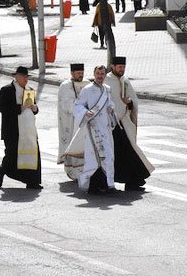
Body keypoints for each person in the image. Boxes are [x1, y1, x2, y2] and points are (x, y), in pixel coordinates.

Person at [105, 57, 154, 191]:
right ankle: (112, 181)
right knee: (116, 154)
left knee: (129, 152)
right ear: (112, 66)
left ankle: (132, 181)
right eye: (119, 67)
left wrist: (130, 102)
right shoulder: (106, 80)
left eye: (123, 67)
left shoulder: (124, 80)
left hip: (124, 123)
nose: (122, 69)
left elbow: (134, 99)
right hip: (110, 123)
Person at [67, 65, 116, 193]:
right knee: (94, 158)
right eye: (98, 74)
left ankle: (107, 184)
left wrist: (111, 108)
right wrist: (85, 112)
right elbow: (77, 105)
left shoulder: (107, 89)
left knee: (108, 156)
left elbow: (110, 103)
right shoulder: (87, 90)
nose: (100, 76)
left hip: (105, 129)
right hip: (93, 129)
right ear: (94, 74)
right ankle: (92, 186)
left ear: (105, 75)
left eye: (102, 74)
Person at [0, 66, 42, 189]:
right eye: (23, 76)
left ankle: (33, 181)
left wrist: (34, 108)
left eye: (27, 77)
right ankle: (2, 170)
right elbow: (0, 107)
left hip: (28, 130)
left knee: (32, 155)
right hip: (12, 130)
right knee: (12, 156)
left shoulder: (29, 90)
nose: (26, 79)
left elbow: (35, 109)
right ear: (16, 77)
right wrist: (19, 108)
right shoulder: (7, 90)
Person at [57, 64, 90, 181]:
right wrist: (79, 106)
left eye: (82, 72)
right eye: (78, 73)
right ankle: (73, 172)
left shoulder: (87, 84)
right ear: (72, 73)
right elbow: (64, 104)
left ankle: (85, 171)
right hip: (70, 122)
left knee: (85, 145)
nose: (81, 75)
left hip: (84, 121)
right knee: (72, 145)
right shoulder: (65, 86)